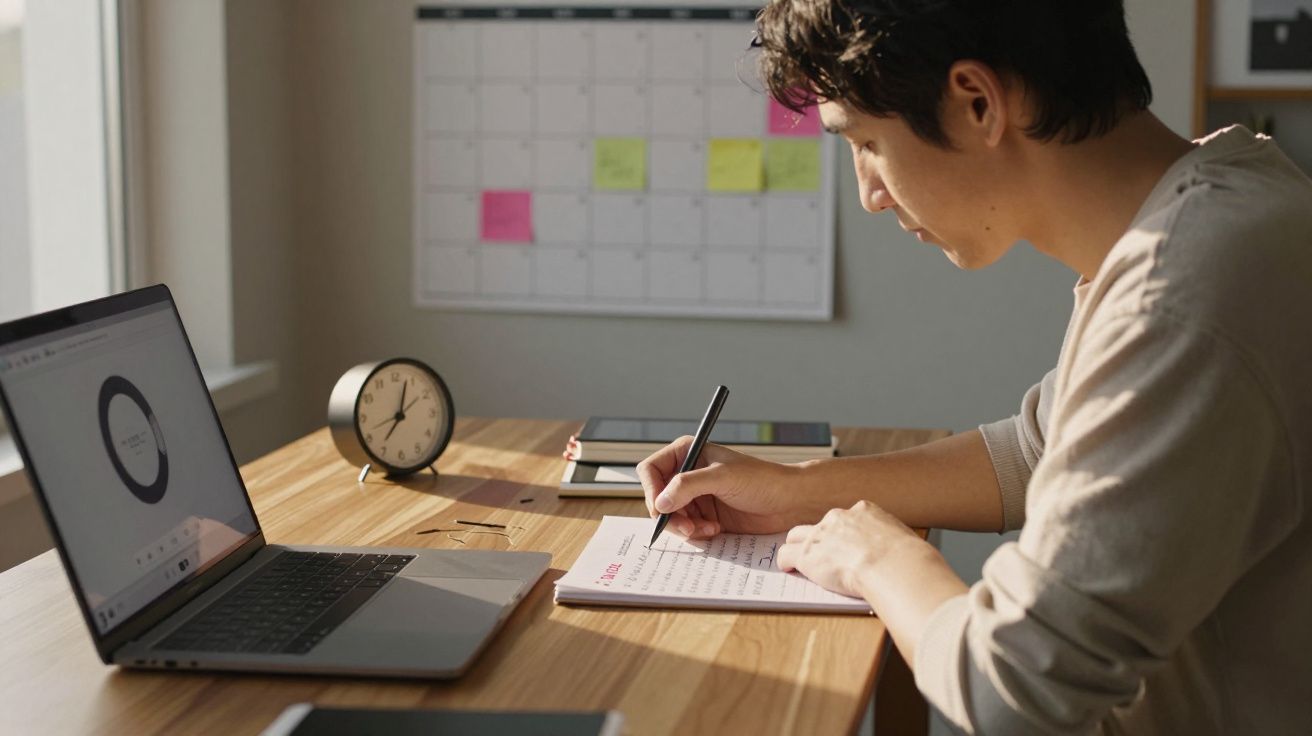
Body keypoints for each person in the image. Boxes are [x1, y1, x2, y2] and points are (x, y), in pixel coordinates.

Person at [636, 1, 1312, 733]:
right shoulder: (1225, 201)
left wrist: (878, 560)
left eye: (866, 142)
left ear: (976, 104)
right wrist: (795, 490)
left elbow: (1009, 689)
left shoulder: (1178, 297)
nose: (869, 195)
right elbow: (1039, 452)